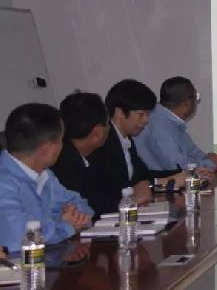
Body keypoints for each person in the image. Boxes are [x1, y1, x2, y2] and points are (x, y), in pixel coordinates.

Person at [0, 103, 93, 250]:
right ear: (48, 148)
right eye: (61, 140)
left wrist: (75, 219)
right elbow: (22, 238)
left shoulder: (44, 175)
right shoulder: (4, 182)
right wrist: (66, 226)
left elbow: (81, 206)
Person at [87, 79, 184, 216]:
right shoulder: (103, 143)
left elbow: (143, 176)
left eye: (148, 114)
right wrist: (165, 181)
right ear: (120, 113)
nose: (146, 120)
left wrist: (182, 174)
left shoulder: (126, 139)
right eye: (141, 114)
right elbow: (117, 189)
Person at [135, 77, 217, 177]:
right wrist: (210, 163)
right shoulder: (158, 124)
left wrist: (208, 158)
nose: (196, 101)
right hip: (159, 184)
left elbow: (192, 151)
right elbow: (176, 167)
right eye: (196, 97)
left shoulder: (172, 121)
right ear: (187, 103)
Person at [52, 92, 110, 203]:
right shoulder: (65, 167)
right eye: (108, 123)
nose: (109, 128)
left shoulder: (85, 154)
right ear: (98, 133)